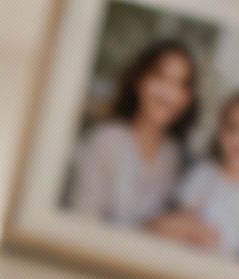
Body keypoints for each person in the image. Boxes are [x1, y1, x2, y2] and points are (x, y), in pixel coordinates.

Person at [67, 38, 200, 229]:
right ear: (139, 80)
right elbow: (81, 222)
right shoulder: (105, 140)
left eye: (180, 84)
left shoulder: (174, 156)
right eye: (160, 78)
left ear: (187, 98)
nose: (168, 94)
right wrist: (153, 228)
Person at [147, 90, 239, 263]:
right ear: (220, 134)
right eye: (233, 128)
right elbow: (182, 221)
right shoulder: (203, 174)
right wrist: (192, 231)